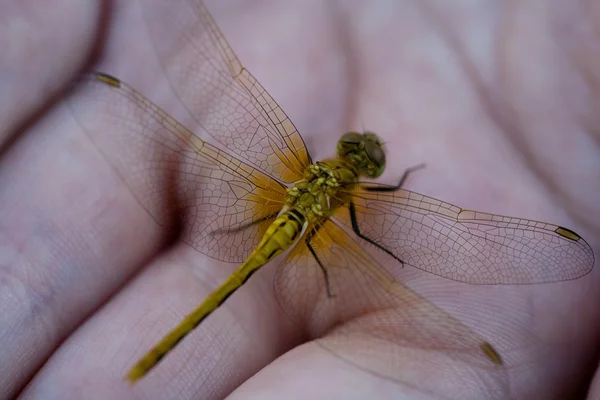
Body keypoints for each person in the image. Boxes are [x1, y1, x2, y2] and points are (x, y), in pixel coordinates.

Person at [1, 1, 598, 399]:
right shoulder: (354, 199)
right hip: (295, 231)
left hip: (281, 211)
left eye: (364, 157)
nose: (363, 156)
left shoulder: (304, 169)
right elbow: (362, 236)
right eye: (363, 157)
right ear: (359, 171)